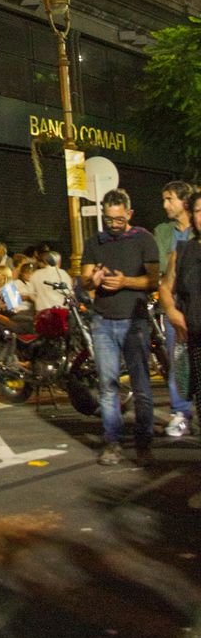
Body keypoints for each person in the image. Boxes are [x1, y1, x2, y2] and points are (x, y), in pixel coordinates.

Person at [80, 188, 160, 468]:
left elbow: (153, 281)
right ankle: (112, 442)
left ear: (129, 214)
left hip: (134, 321)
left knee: (141, 385)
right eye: (108, 219)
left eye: (118, 219)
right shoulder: (95, 242)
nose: (113, 225)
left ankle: (144, 442)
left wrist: (126, 281)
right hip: (103, 320)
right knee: (107, 386)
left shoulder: (144, 239)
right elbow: (84, 281)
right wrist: (94, 279)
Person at [153, 181, 194, 438]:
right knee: (178, 359)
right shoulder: (163, 231)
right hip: (175, 303)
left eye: (170, 199)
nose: (165, 205)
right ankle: (181, 412)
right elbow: (162, 265)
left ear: (184, 202)